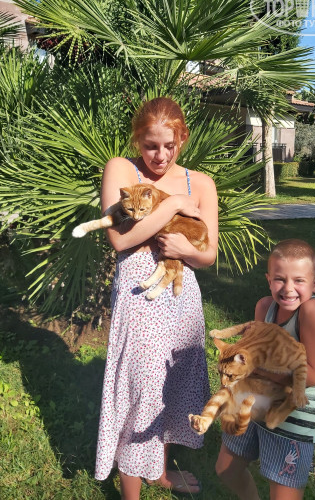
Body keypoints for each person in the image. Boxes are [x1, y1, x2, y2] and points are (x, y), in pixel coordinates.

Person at [94, 97, 219, 499]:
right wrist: (174, 207)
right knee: (142, 388)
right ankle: (131, 492)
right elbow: (120, 239)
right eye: (150, 146)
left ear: (183, 138)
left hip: (182, 299)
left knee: (170, 386)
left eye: (170, 145)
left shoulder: (201, 184)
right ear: (138, 141)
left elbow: (208, 254)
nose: (160, 155)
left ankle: (159, 474)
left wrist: (185, 250)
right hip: (139, 298)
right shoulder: (122, 170)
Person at [215, 238, 315, 500]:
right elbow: (254, 353)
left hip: (292, 420)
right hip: (254, 404)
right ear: (269, 280)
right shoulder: (264, 307)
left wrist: (255, 370)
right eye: (280, 279)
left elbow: (313, 375)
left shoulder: (312, 312)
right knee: (226, 469)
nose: (288, 288)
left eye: (299, 280)